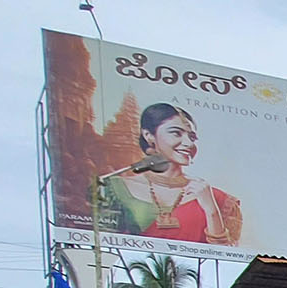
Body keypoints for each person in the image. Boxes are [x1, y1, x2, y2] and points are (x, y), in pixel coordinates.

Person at [100, 103, 240, 244]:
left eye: (192, 137)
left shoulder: (216, 198)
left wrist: (211, 211)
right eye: (176, 133)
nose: (188, 144)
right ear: (149, 136)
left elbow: (225, 258)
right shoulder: (115, 188)